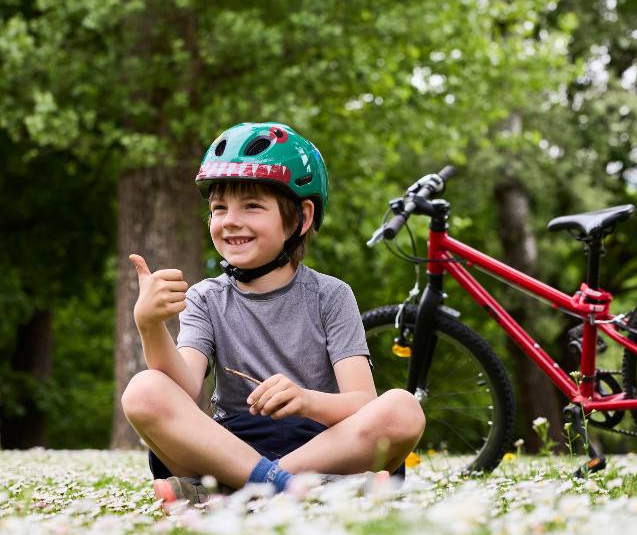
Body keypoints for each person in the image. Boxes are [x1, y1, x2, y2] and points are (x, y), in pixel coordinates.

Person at [121, 122, 425, 505]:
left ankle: (242, 495)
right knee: (144, 391)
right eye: (219, 208)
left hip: (320, 444)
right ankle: (291, 489)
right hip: (232, 448)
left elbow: (362, 403)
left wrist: (307, 401)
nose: (230, 219)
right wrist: (150, 326)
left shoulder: (331, 296)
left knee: (403, 408)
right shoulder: (206, 298)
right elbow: (182, 390)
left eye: (251, 205)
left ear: (301, 217)